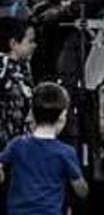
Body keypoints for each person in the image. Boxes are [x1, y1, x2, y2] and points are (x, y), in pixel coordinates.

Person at [0, 82, 87, 215]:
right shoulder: (66, 152)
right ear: (62, 117)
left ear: (33, 114)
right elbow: (80, 190)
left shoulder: (16, 144)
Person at [0, 17, 36, 149]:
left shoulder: (23, 67)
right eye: (30, 41)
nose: (34, 45)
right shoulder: (3, 68)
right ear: (14, 43)